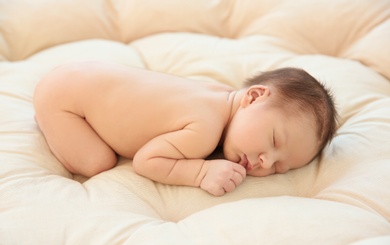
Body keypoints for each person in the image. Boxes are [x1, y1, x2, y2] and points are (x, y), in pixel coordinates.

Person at [33, 61, 337, 196]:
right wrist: (200, 173)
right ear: (253, 97)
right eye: (273, 140)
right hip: (64, 100)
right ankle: (46, 118)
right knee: (97, 162)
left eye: (280, 167)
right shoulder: (203, 130)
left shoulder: (219, 94)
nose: (266, 161)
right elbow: (146, 161)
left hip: (81, 73)